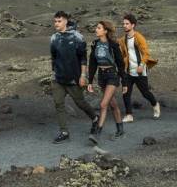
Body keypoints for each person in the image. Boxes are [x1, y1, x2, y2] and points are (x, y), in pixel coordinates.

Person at [50, 11, 100, 143]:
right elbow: (54, 57)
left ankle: (95, 117)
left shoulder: (78, 37)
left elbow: (83, 58)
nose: (56, 23)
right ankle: (64, 132)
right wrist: (53, 73)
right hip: (58, 78)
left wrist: (83, 75)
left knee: (80, 102)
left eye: (59, 21)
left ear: (66, 21)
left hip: (73, 78)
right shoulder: (54, 38)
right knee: (58, 103)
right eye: (55, 21)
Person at [87, 20, 128, 144]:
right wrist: (90, 81)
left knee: (103, 104)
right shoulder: (95, 44)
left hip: (112, 75)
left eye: (99, 28)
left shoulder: (113, 45)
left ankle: (97, 134)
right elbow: (93, 63)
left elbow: (120, 64)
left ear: (105, 31)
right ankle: (120, 130)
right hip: (102, 76)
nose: (96, 29)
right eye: (96, 27)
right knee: (113, 105)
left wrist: (125, 82)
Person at [119, 13, 161, 122]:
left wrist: (141, 65)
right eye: (123, 24)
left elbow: (146, 53)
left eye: (127, 24)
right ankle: (129, 115)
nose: (124, 25)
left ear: (133, 25)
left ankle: (155, 104)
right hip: (129, 71)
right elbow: (123, 53)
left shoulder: (139, 37)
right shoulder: (123, 40)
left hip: (140, 70)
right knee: (125, 92)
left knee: (145, 93)